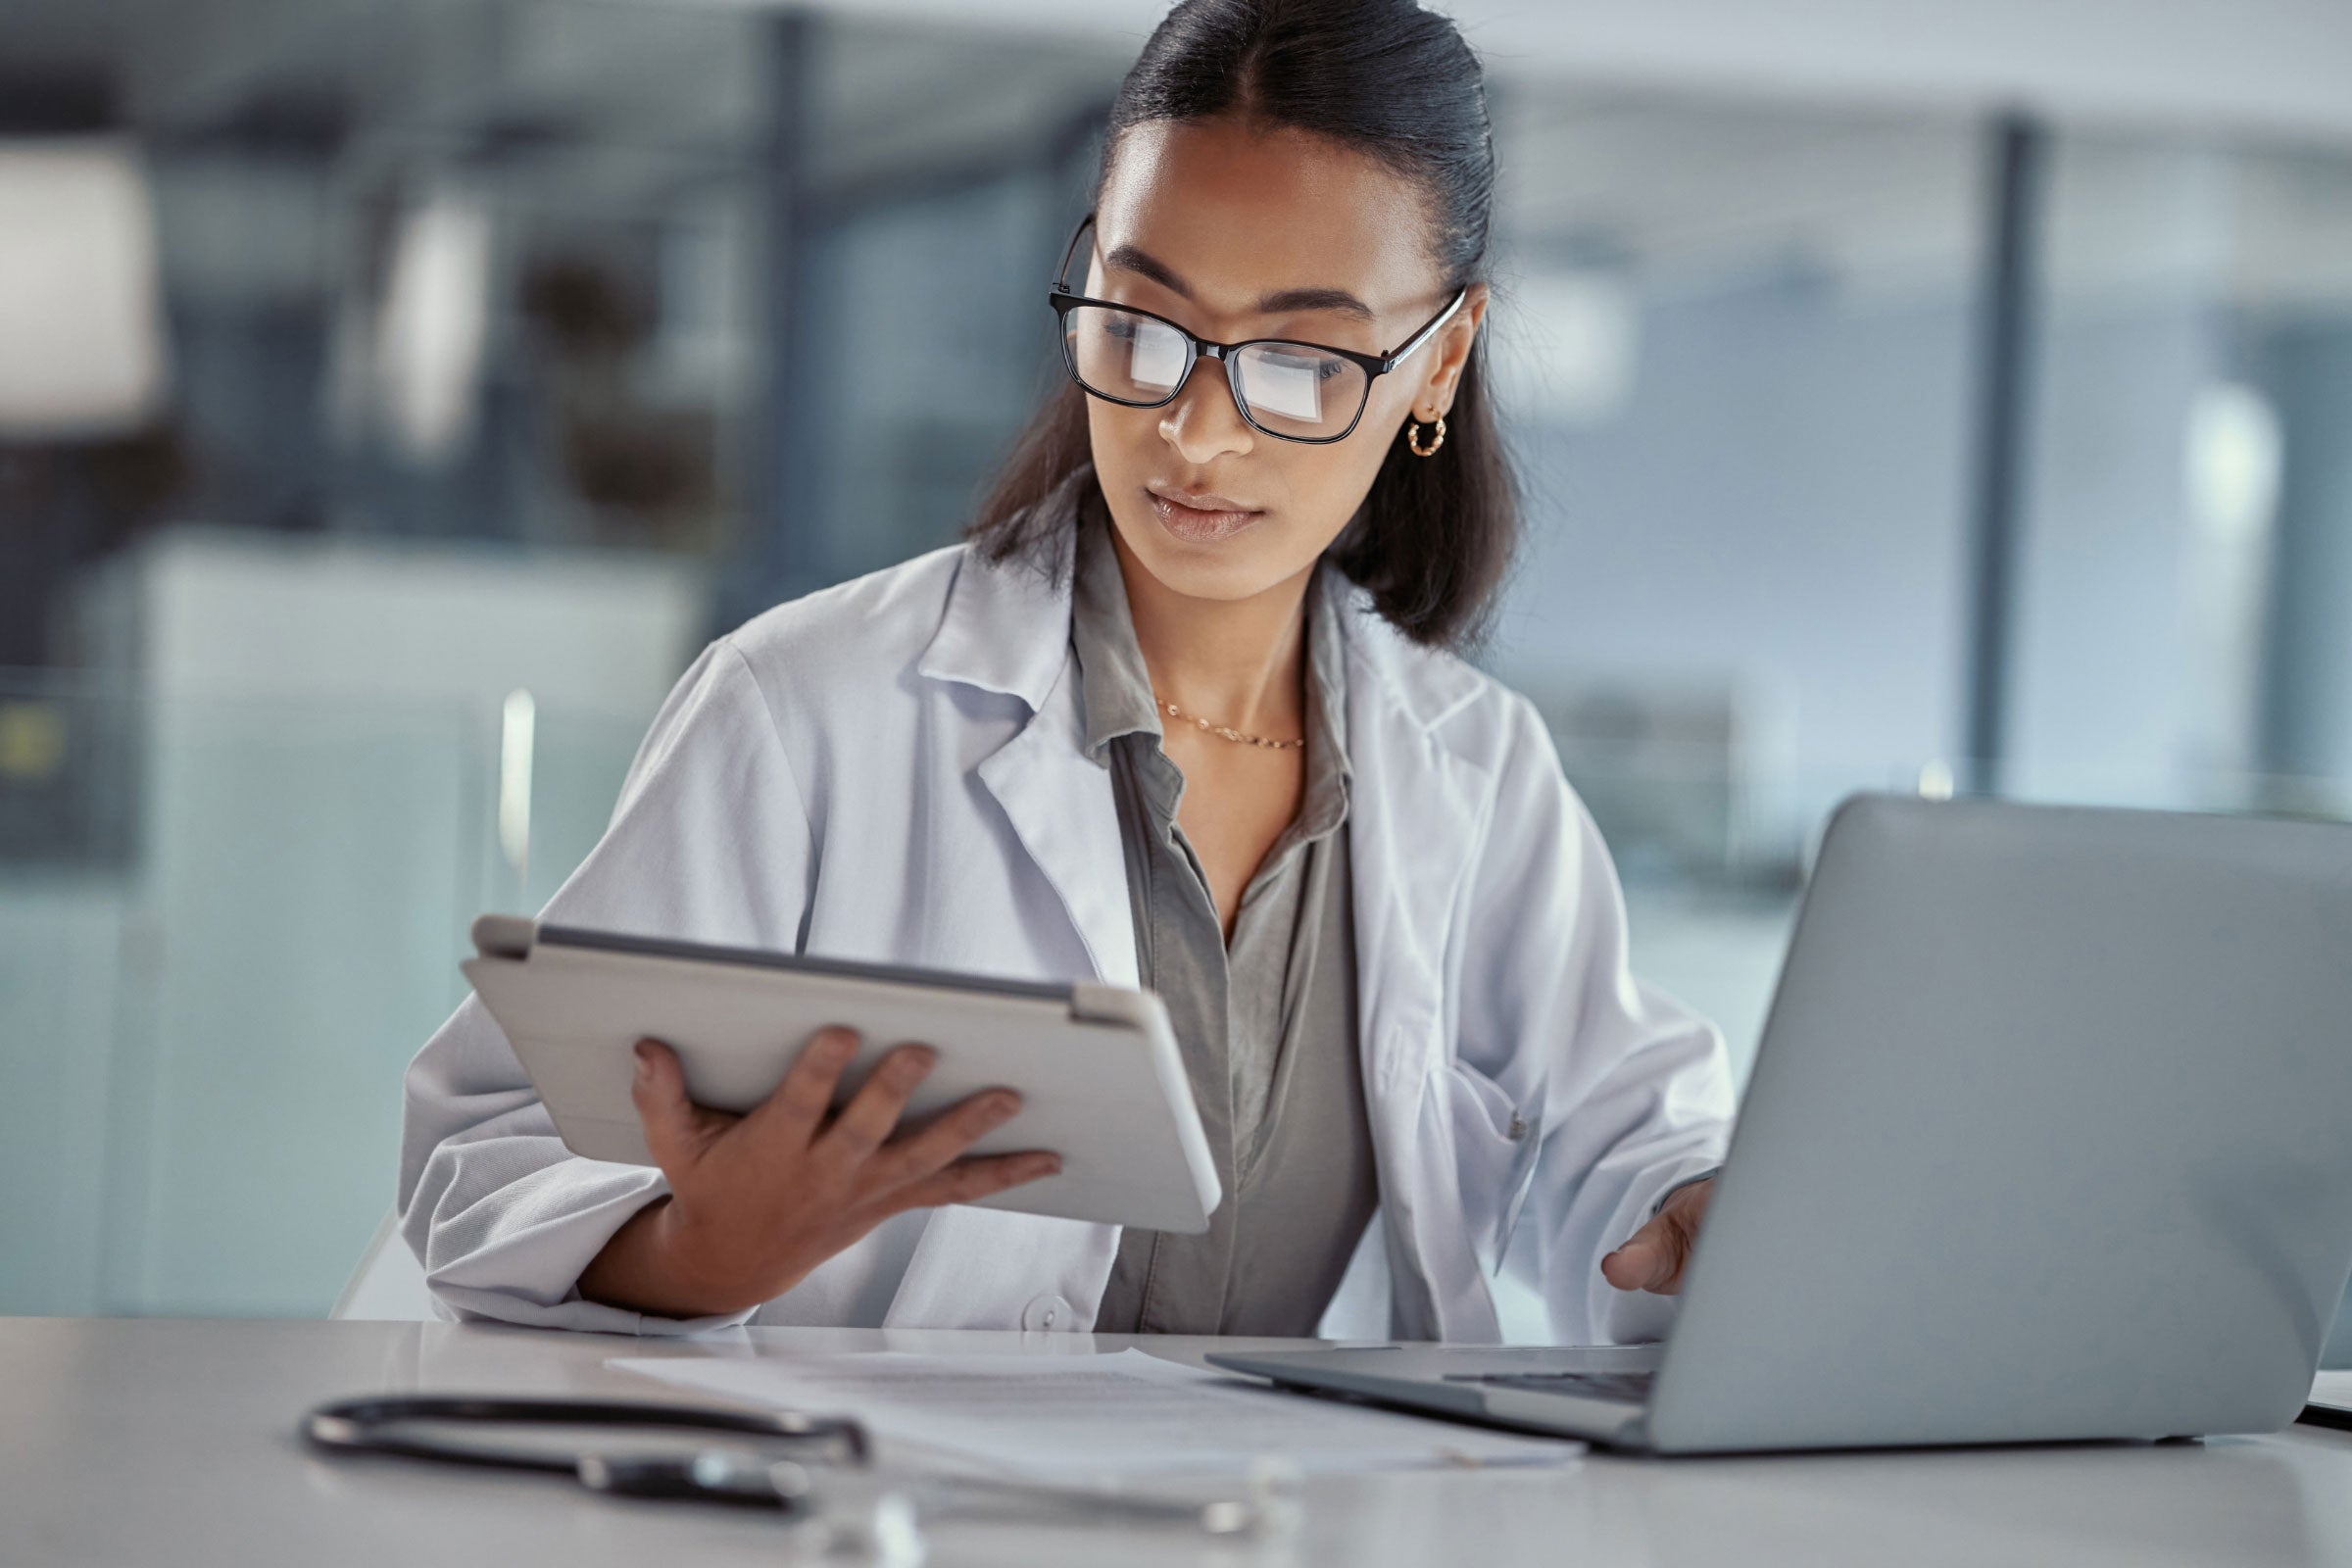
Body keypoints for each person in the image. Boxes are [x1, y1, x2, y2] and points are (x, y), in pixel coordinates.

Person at [399, 0, 1730, 1345]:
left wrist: (1696, 1203)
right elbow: (488, 1156)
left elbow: (1621, 1141)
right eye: (1143, 321)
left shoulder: (1477, 772)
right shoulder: (805, 710)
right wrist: (698, 1250)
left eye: (1303, 359)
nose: (1197, 432)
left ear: (1438, 359)